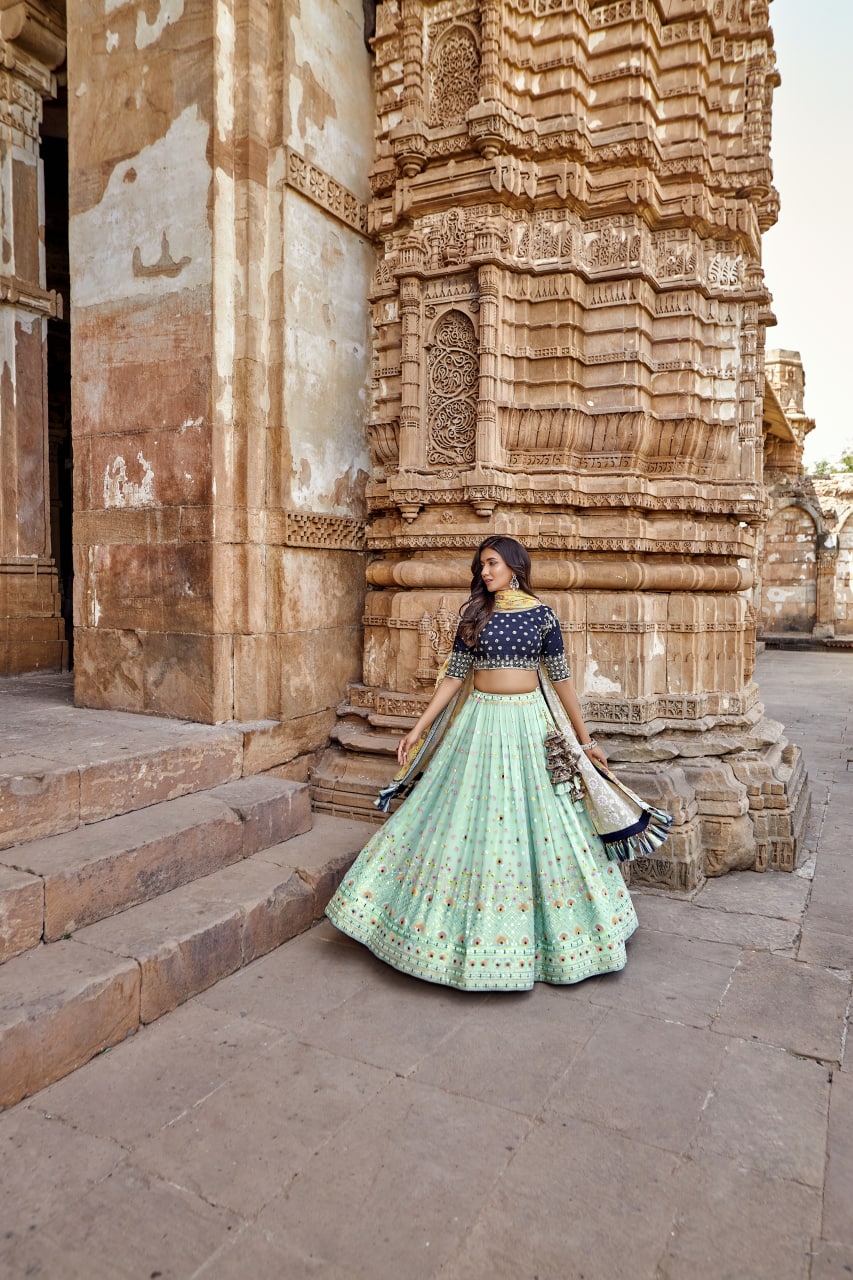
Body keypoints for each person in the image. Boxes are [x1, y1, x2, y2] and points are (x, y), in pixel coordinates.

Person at [325, 534, 671, 991]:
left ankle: (555, 940)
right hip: (479, 725)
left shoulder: (542, 616)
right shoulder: (475, 614)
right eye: (481, 566)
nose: (484, 572)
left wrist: (586, 743)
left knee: (544, 822)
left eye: (491, 563)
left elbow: (563, 682)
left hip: (529, 727)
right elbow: (453, 676)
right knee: (461, 818)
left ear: (513, 564)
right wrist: (418, 728)